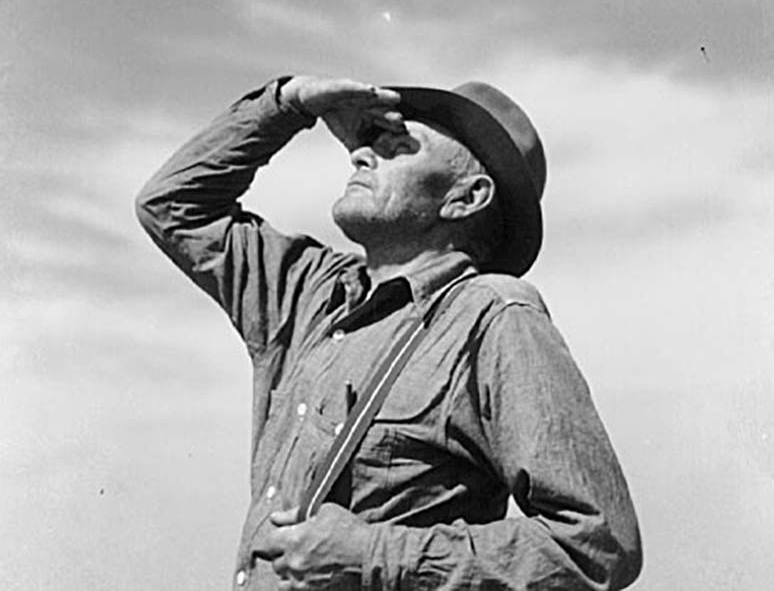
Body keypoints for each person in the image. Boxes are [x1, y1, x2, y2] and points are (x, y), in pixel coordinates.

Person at [136, 75, 642, 590]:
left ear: (467, 198)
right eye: (369, 141)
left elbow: (598, 544)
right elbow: (171, 207)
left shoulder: (493, 317)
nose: (360, 155)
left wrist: (370, 554)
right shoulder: (309, 292)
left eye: (397, 146)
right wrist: (290, 104)